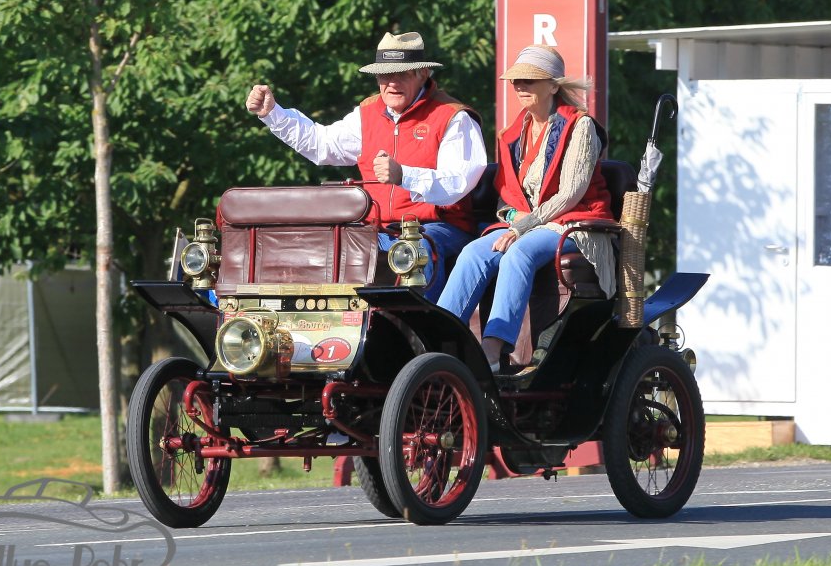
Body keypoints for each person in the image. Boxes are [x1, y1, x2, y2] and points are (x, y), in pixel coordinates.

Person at [245, 30, 487, 301]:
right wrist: (273, 114)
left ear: (423, 74)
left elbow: (458, 182)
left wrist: (403, 175)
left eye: (402, 74)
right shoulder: (368, 112)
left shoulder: (453, 116)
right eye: (384, 75)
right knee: (323, 248)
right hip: (377, 228)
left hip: (438, 226)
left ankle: (420, 326)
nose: (391, 83)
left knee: (413, 250)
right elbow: (322, 145)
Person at [438, 45, 615, 369]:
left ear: (553, 86)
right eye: (516, 81)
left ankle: (493, 349)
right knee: (473, 253)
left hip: (573, 223)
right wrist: (511, 217)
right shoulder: (512, 135)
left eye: (529, 80)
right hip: (527, 224)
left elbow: (570, 195)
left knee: (519, 252)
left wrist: (522, 226)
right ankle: (439, 344)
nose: (520, 86)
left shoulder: (580, 127)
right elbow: (506, 197)